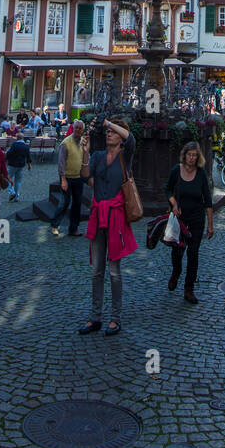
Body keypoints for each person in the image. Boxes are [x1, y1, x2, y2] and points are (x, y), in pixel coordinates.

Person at [79, 119, 137, 336]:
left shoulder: (125, 157)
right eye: (107, 132)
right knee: (96, 271)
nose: (108, 134)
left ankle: (115, 318)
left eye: (113, 132)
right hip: (98, 216)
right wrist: (86, 152)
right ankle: (95, 317)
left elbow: (131, 140)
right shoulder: (97, 156)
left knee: (114, 272)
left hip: (116, 218)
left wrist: (108, 122)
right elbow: (87, 178)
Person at [165, 140, 214, 304]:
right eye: (189, 155)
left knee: (193, 254)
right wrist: (173, 203)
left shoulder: (200, 173)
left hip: (197, 218)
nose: (192, 158)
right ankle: (176, 272)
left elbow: (207, 200)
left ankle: (189, 288)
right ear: (184, 155)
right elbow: (167, 189)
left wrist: (210, 224)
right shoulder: (175, 171)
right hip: (180, 218)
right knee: (177, 252)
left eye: (195, 155)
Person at [51, 120, 86, 237]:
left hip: (78, 177)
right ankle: (55, 224)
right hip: (67, 177)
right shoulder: (65, 143)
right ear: (73, 128)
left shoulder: (82, 142)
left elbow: (85, 158)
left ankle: (73, 228)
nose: (78, 130)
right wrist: (63, 179)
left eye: (80, 129)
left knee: (77, 203)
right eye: (76, 128)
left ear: (83, 130)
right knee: (65, 202)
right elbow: (61, 163)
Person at [5, 133, 31, 200]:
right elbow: (28, 156)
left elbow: (9, 154)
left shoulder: (14, 145)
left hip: (12, 164)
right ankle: (17, 196)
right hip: (21, 165)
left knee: (8, 178)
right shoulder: (25, 146)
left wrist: (5, 160)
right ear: (23, 138)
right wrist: (29, 165)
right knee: (18, 181)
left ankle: (12, 192)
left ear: (17, 138)